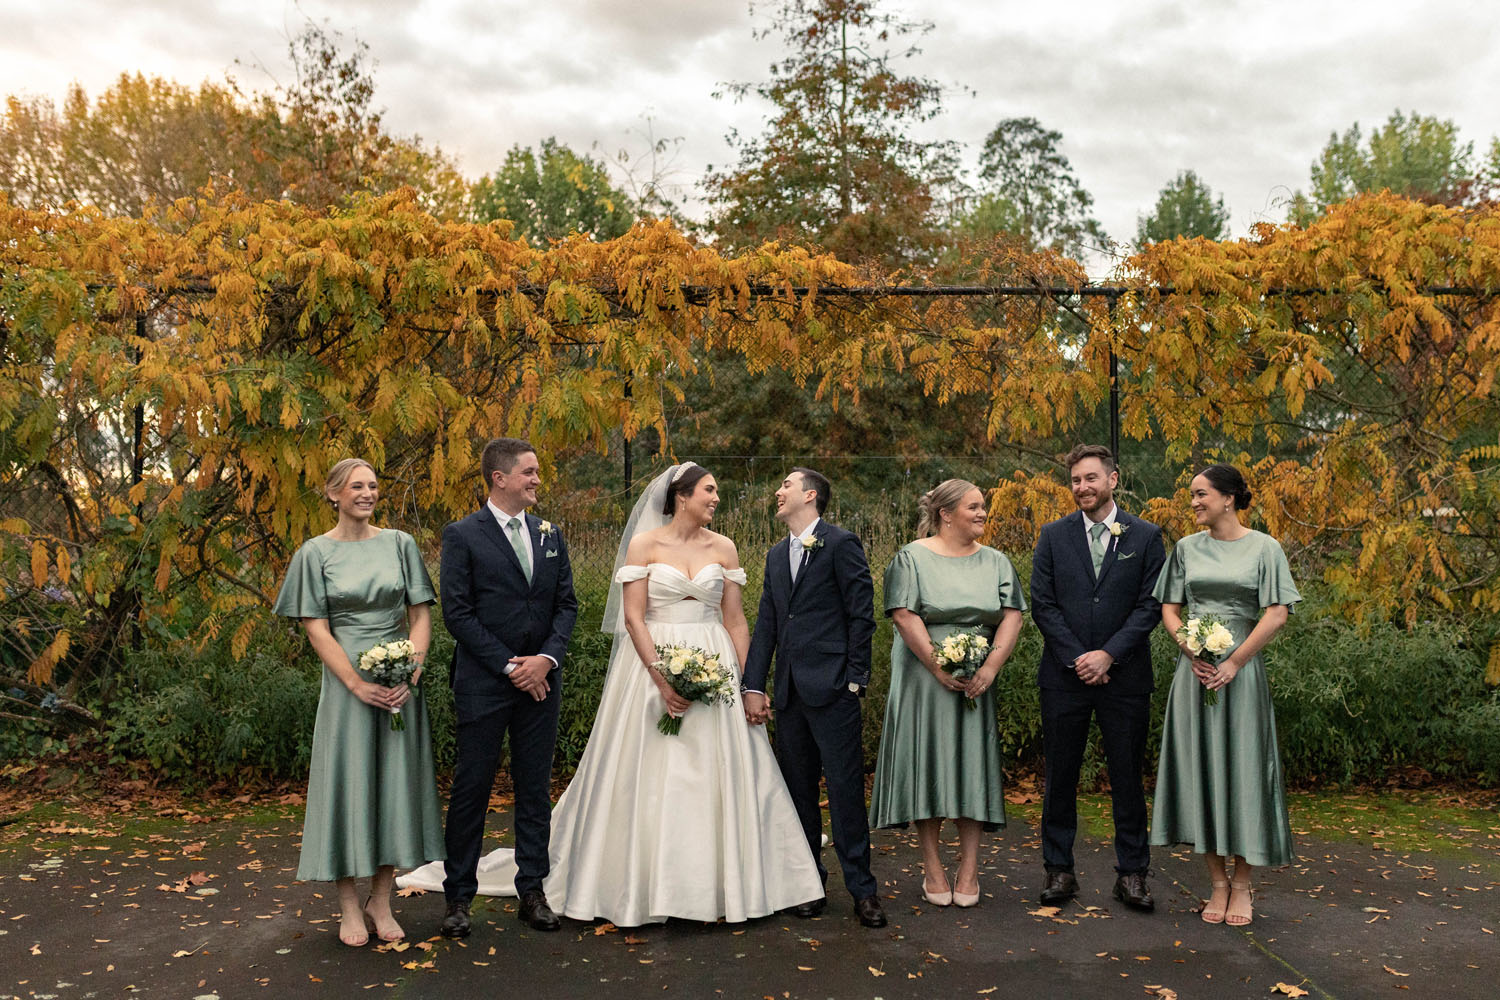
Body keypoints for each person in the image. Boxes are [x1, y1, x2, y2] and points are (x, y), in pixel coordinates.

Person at [402, 462, 822, 926]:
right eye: (709, 489)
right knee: (631, 778)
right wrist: (662, 678)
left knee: (718, 777)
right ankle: (468, 897)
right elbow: (633, 618)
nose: (716, 498)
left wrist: (746, 683)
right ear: (681, 496)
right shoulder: (643, 544)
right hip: (645, 669)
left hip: (715, 666)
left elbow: (736, 621)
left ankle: (719, 884)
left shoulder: (724, 546)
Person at [272, 458, 444, 948]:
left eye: (373, 485)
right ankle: (349, 904)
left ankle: (382, 899)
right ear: (333, 494)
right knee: (347, 784)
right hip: (347, 685)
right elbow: (315, 626)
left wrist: (410, 671)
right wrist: (355, 684)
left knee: (393, 786)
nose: (367, 493)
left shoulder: (400, 544)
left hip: (399, 684)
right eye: (357, 486)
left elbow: (419, 614)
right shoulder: (314, 552)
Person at [436, 438, 578, 938]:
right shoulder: (462, 535)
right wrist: (509, 666)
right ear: (499, 478)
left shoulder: (550, 534)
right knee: (472, 789)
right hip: (484, 684)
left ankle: (533, 891)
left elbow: (567, 606)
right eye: (529, 472)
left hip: (542, 684)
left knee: (535, 789)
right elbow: (456, 611)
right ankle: (458, 899)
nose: (538, 479)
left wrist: (545, 659)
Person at [1151, 463, 1300, 927]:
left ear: (1229, 498)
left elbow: (1276, 613)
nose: (1194, 502)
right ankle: (1216, 883)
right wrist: (1188, 646)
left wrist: (1235, 661)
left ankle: (1242, 885)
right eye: (1191, 495)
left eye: (1201, 494)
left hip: (1242, 674)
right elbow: (1169, 608)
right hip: (1193, 673)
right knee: (1201, 771)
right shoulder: (1184, 549)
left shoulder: (1265, 548)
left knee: (1244, 770)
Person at [868, 479, 1025, 908]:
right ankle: (933, 868)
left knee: (971, 765)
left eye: (984, 506)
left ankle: (969, 869)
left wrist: (990, 666)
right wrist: (937, 666)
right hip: (923, 676)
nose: (982, 513)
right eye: (974, 506)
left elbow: (1012, 616)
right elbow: (902, 614)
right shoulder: (911, 557)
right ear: (946, 513)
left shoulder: (996, 561)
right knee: (929, 763)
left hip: (978, 676)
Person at [743, 468, 886, 929]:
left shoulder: (841, 544)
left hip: (833, 689)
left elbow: (861, 614)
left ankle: (863, 890)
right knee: (798, 793)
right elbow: (767, 623)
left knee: (845, 793)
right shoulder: (773, 555)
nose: (777, 491)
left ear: (810, 495)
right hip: (789, 693)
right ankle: (810, 885)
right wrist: (754, 684)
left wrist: (854, 680)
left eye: (785, 484)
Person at [1030, 445, 1166, 911]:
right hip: (1063, 678)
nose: (1082, 487)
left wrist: (1108, 655)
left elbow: (1151, 605)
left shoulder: (1146, 536)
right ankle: (1058, 870)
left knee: (1128, 777)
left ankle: (1132, 874)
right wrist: (1079, 659)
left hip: (1125, 678)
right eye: (1075, 481)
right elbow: (1042, 605)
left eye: (1090, 478)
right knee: (1060, 777)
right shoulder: (1052, 536)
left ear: (1113, 478)